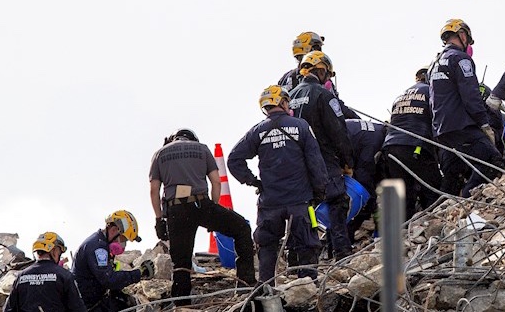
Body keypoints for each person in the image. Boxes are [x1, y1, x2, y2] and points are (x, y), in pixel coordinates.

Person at [228, 85, 327, 282]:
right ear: (282, 102)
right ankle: (307, 286)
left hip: (270, 202)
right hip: (300, 200)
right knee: (307, 243)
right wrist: (319, 192)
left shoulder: (257, 131)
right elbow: (316, 163)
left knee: (267, 246)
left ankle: (266, 287)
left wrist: (253, 181)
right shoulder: (301, 126)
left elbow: (234, 160)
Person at [149, 128, 256, 299]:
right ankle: (246, 284)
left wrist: (159, 219)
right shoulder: (202, 148)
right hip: (200, 204)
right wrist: (212, 211)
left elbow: (154, 190)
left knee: (181, 262)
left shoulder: (160, 154)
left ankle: (181, 302)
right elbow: (216, 182)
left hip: (175, 209)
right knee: (241, 228)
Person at [287, 51, 355, 260]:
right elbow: (338, 131)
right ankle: (341, 252)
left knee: (302, 208)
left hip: (297, 162)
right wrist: (347, 161)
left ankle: (294, 257)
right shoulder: (324, 95)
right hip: (324, 158)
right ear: (322, 69)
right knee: (338, 201)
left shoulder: (289, 97)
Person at [428, 19, 503, 197]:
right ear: (462, 35)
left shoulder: (434, 64)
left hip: (442, 130)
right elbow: (471, 94)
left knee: (453, 175)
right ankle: (470, 198)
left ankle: (445, 213)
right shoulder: (461, 59)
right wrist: (484, 123)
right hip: (462, 126)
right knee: (492, 161)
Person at [382, 65, 442, 219]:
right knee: (432, 189)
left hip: (391, 148)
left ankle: (406, 233)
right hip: (416, 146)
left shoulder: (400, 96)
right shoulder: (431, 91)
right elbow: (437, 119)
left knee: (405, 194)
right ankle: (434, 224)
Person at [74, 211, 152, 312]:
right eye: (123, 239)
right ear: (114, 230)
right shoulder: (97, 248)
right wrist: (138, 273)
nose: (123, 245)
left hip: (94, 299)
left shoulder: (101, 244)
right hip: (89, 305)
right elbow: (109, 279)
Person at [3, 232, 86, 312]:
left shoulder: (21, 277)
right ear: (53, 250)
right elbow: (77, 308)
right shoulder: (64, 276)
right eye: (59, 251)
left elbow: (9, 309)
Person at [345, 115, 386, 236]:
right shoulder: (376, 136)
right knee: (367, 194)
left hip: (364, 146)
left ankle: (378, 229)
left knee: (367, 192)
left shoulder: (373, 136)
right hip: (365, 145)